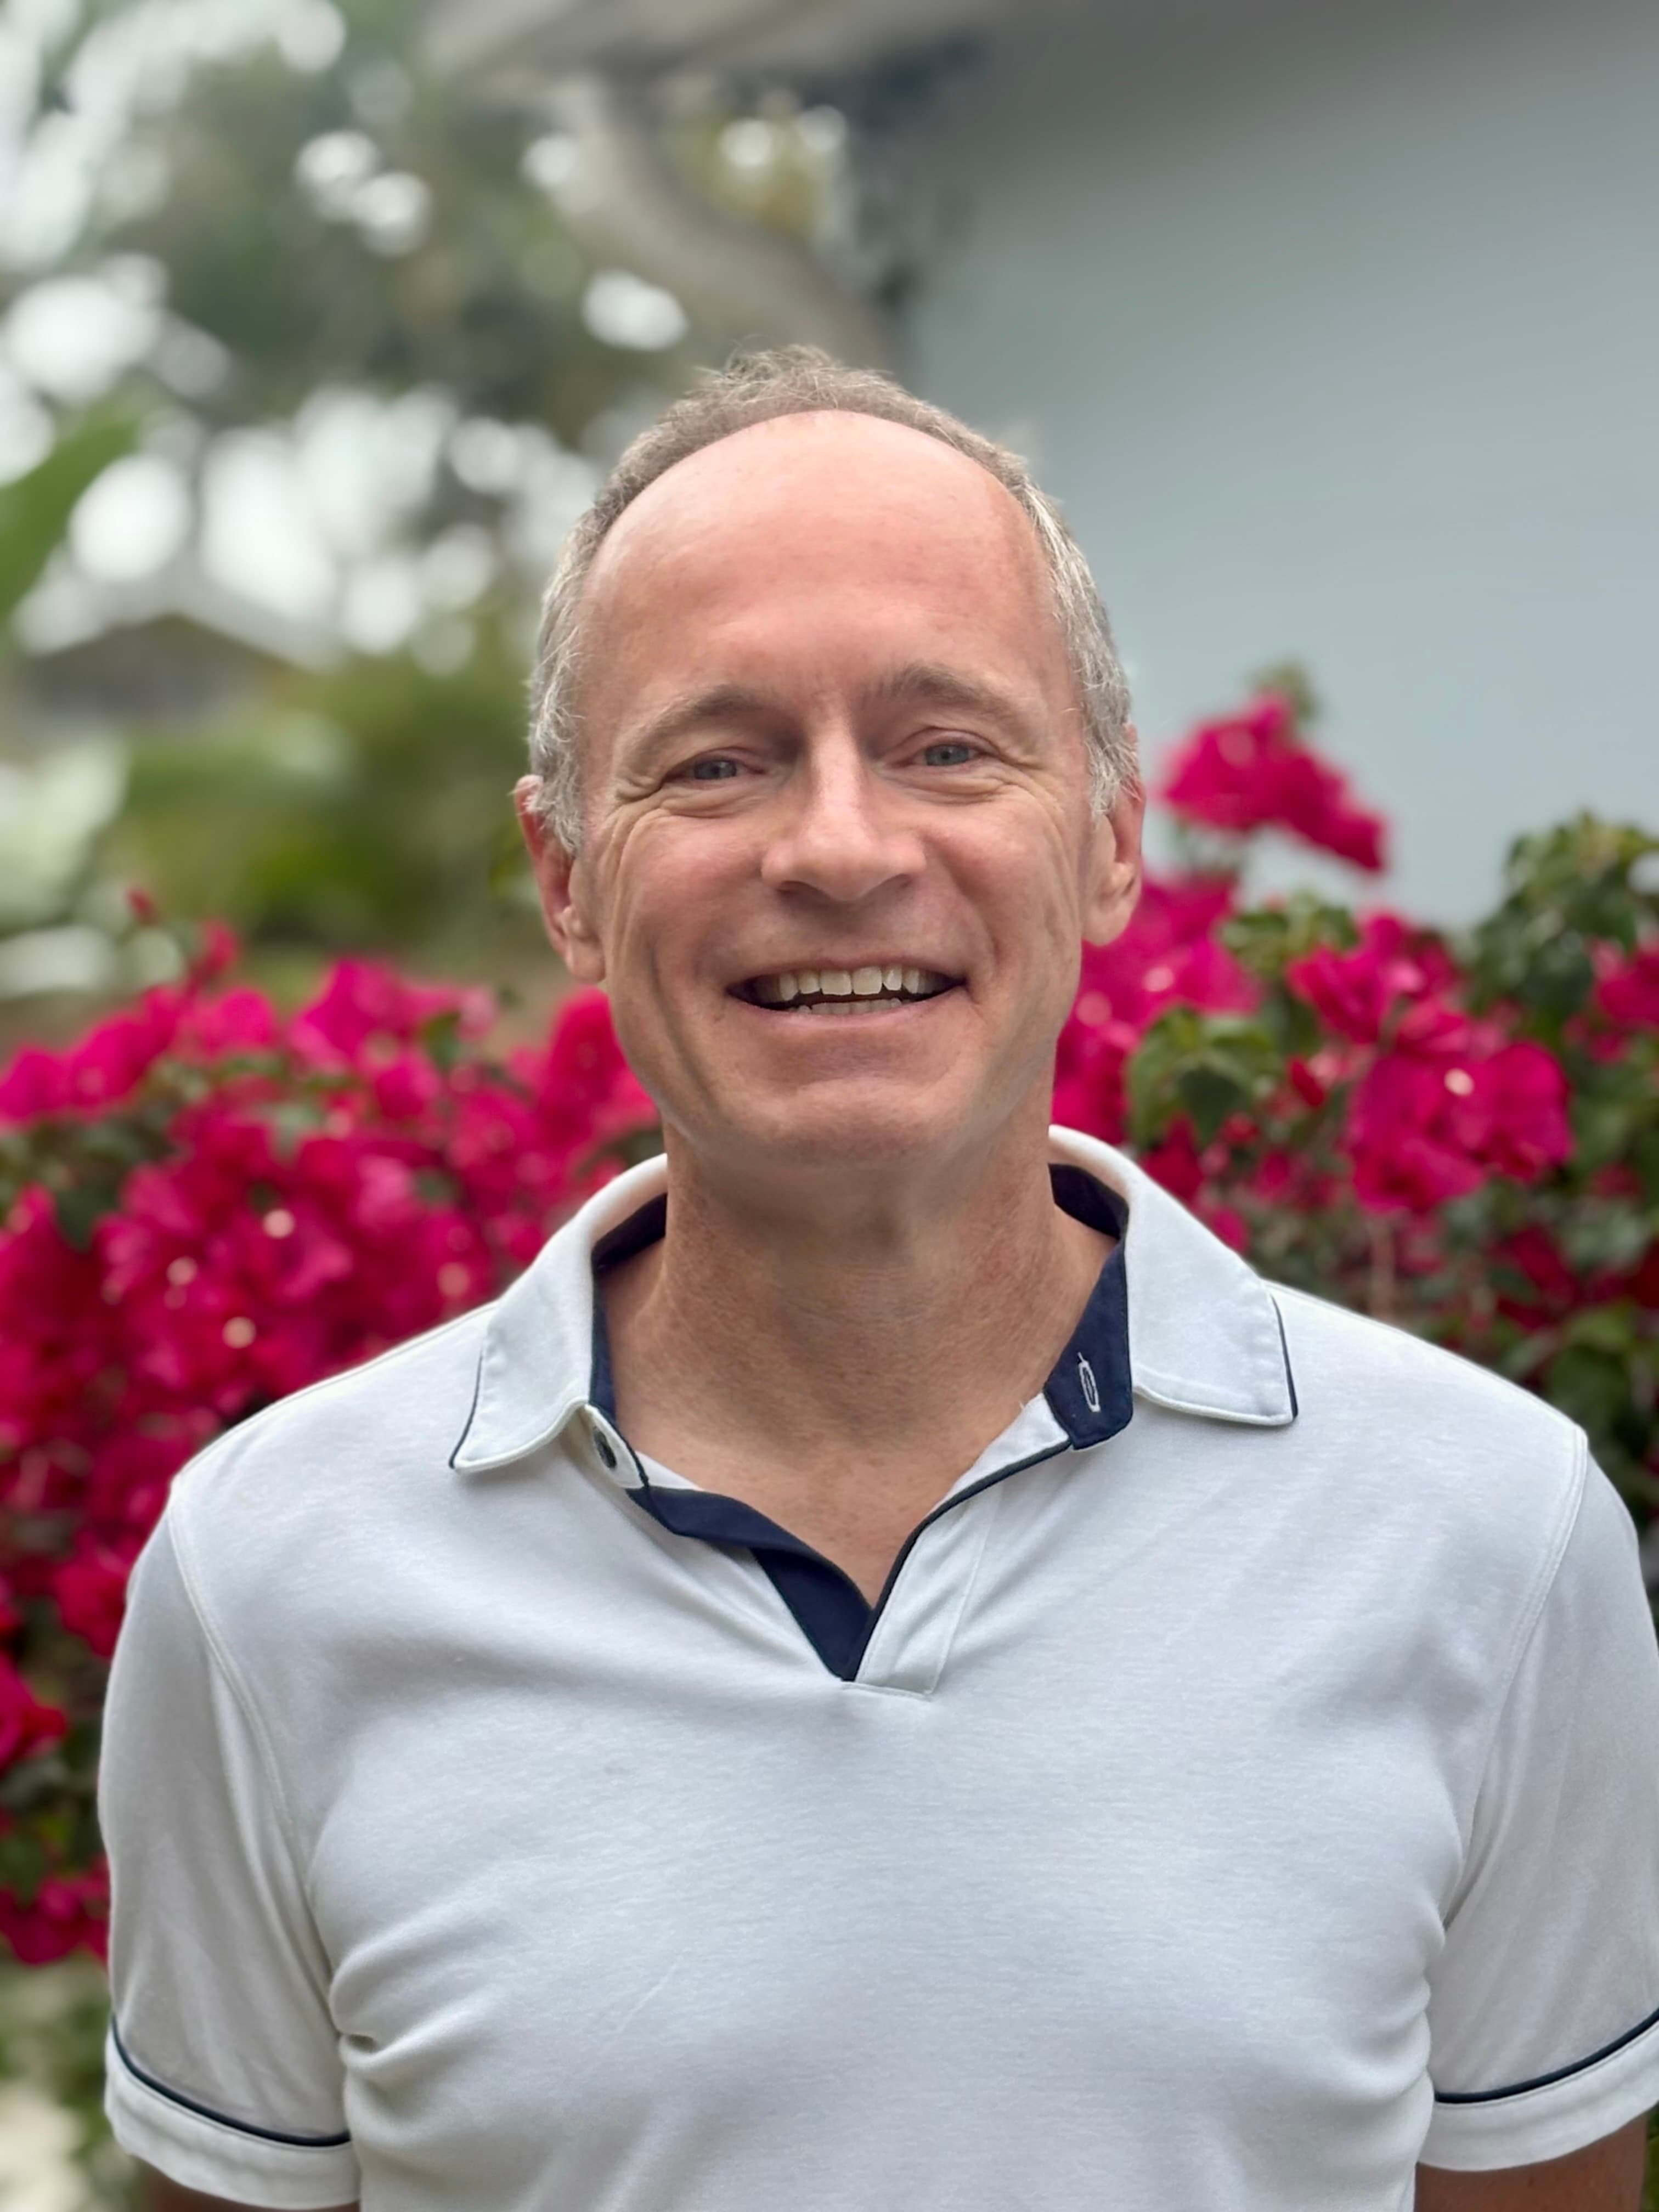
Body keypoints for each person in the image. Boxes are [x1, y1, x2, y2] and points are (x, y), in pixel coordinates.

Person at [100, 349, 1659, 2212]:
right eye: (718, 760)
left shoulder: (1489, 1535)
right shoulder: (267, 1575)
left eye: (947, 746)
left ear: (1108, 837)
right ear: (567, 875)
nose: (840, 848)